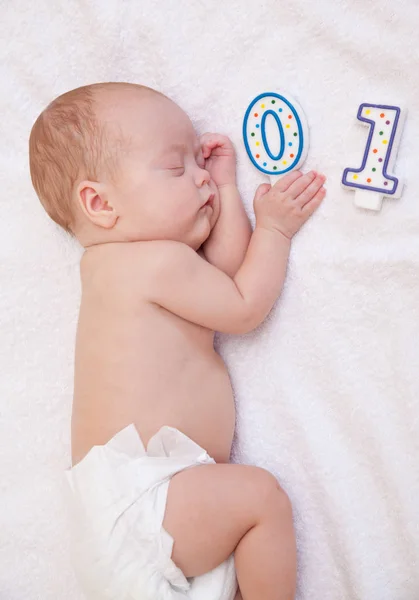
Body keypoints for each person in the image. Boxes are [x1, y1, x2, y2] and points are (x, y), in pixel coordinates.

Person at [29, 81, 326, 600]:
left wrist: (225, 191)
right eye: (176, 168)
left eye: (198, 162)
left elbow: (224, 271)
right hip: (142, 497)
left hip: (146, 508)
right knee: (260, 499)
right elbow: (242, 304)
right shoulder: (148, 264)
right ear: (99, 203)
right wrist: (274, 232)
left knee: (243, 529)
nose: (200, 179)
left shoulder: (124, 268)